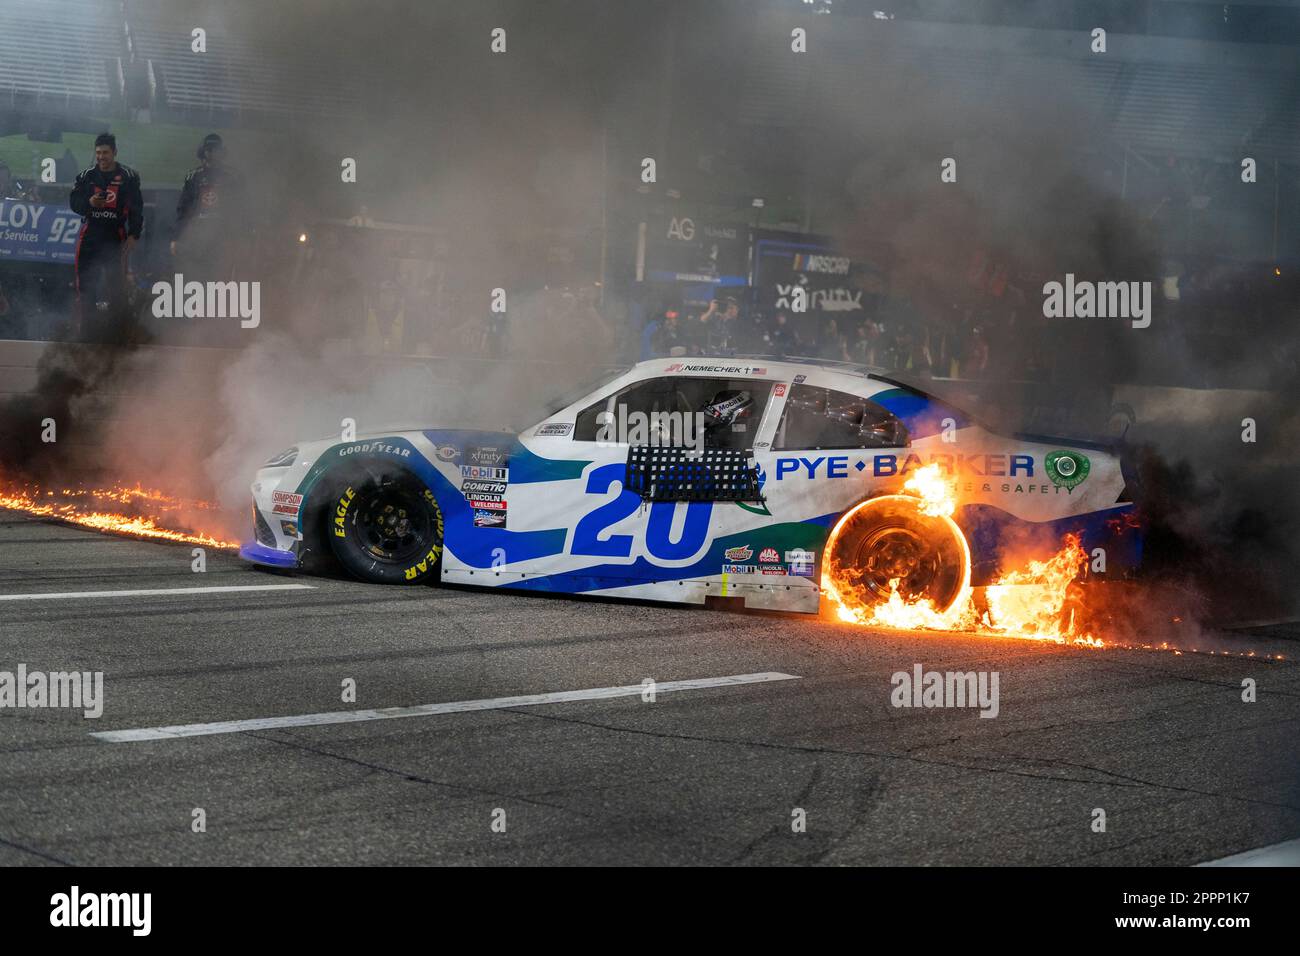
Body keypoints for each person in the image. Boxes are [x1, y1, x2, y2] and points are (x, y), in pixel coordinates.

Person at [69, 133, 143, 333]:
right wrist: (89, 203)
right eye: (98, 153)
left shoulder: (129, 177)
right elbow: (74, 204)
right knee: (85, 285)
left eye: (106, 153)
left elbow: (137, 208)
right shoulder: (86, 176)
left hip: (115, 237)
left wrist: (134, 234)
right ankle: (86, 331)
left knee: (116, 287)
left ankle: (116, 331)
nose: (101, 157)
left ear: (115, 153)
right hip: (90, 236)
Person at [172, 133, 242, 281]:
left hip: (222, 236)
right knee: (196, 277)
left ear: (222, 152)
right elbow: (183, 209)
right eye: (209, 149)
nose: (211, 153)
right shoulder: (193, 176)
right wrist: (177, 238)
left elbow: (240, 209)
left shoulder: (232, 176)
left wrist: (240, 236)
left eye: (215, 149)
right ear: (203, 152)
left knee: (222, 279)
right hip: (197, 236)